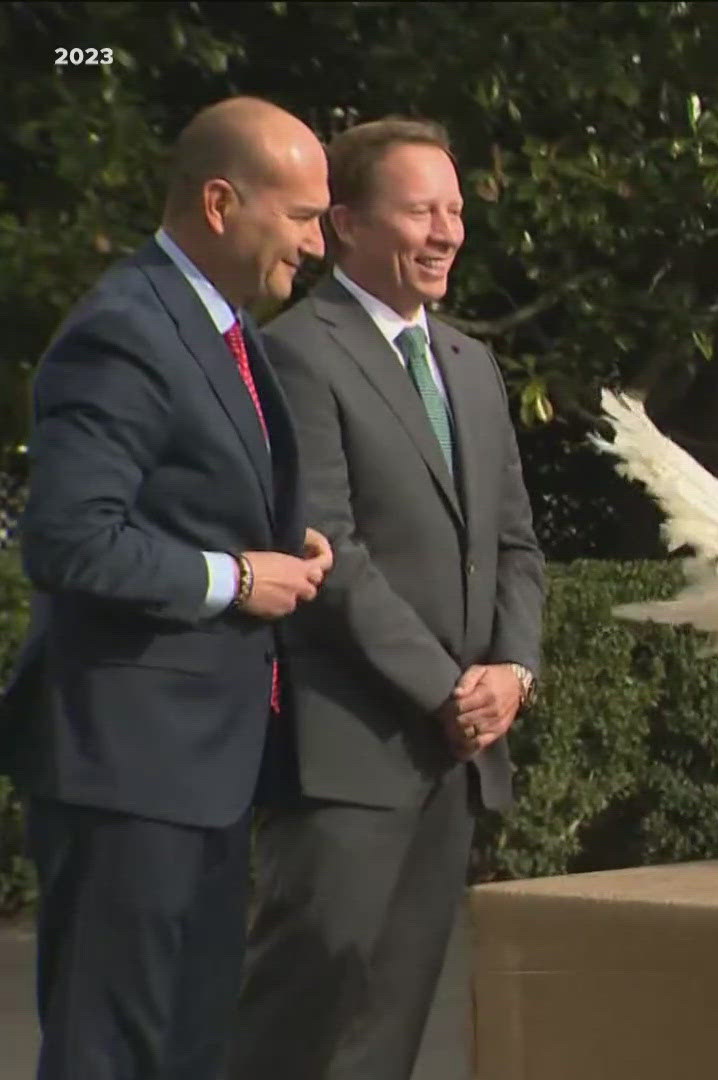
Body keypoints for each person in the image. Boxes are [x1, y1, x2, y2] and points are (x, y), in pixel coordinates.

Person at [0, 96, 334, 1079]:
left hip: (201, 771)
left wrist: (280, 548)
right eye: (305, 217)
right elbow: (66, 541)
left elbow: (182, 500)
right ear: (223, 202)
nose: (316, 245)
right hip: (130, 771)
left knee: (185, 1046)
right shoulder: (126, 328)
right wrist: (235, 578)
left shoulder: (223, 326)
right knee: (117, 1050)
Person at [229, 117, 547, 1080]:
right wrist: (448, 688)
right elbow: (328, 552)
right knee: (304, 1019)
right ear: (349, 223)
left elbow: (517, 545)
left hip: (454, 758)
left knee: (395, 1027)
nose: (446, 231)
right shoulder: (298, 354)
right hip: (349, 754)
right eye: (421, 210)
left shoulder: (472, 366)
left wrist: (514, 673)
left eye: (454, 209)